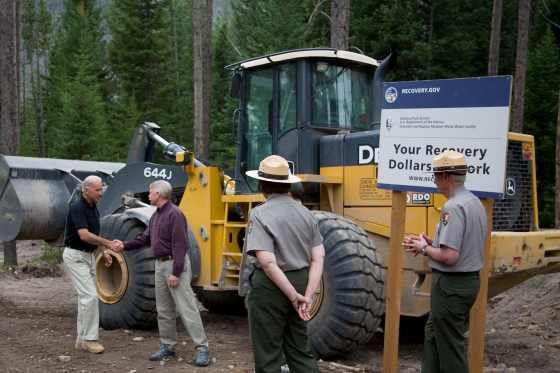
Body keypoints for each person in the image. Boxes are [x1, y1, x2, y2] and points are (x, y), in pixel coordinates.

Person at [402, 150, 487, 373]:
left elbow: (450, 256)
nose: (434, 181)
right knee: (432, 333)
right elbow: (462, 243)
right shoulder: (474, 202)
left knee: (450, 347)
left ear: (446, 177)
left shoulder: (452, 208)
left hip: (451, 286)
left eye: (436, 176)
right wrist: (432, 242)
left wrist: (423, 249)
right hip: (466, 283)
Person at [110, 180, 211, 366]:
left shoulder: (176, 214)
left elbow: (180, 246)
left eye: (150, 192)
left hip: (174, 265)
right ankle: (168, 347)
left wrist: (176, 272)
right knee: (163, 310)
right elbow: (144, 238)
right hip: (160, 265)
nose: (148, 195)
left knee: (187, 309)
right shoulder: (156, 215)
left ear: (158, 194)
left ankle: (203, 349)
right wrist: (123, 245)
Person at [242, 155, 325, 373]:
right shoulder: (306, 213)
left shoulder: (259, 214)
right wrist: (308, 295)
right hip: (301, 280)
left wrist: (292, 296)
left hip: (270, 286)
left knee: (268, 353)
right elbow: (319, 257)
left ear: (261, 185)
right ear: (288, 184)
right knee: (299, 349)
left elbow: (268, 263)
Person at [62, 175, 114, 354]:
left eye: (101, 189)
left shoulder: (94, 209)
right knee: (90, 297)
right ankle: (91, 339)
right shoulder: (78, 208)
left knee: (85, 299)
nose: (100, 193)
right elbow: (84, 235)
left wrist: (103, 252)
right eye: (97, 190)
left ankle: (80, 340)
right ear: (86, 190)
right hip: (75, 256)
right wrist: (108, 243)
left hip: (88, 256)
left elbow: (93, 235)